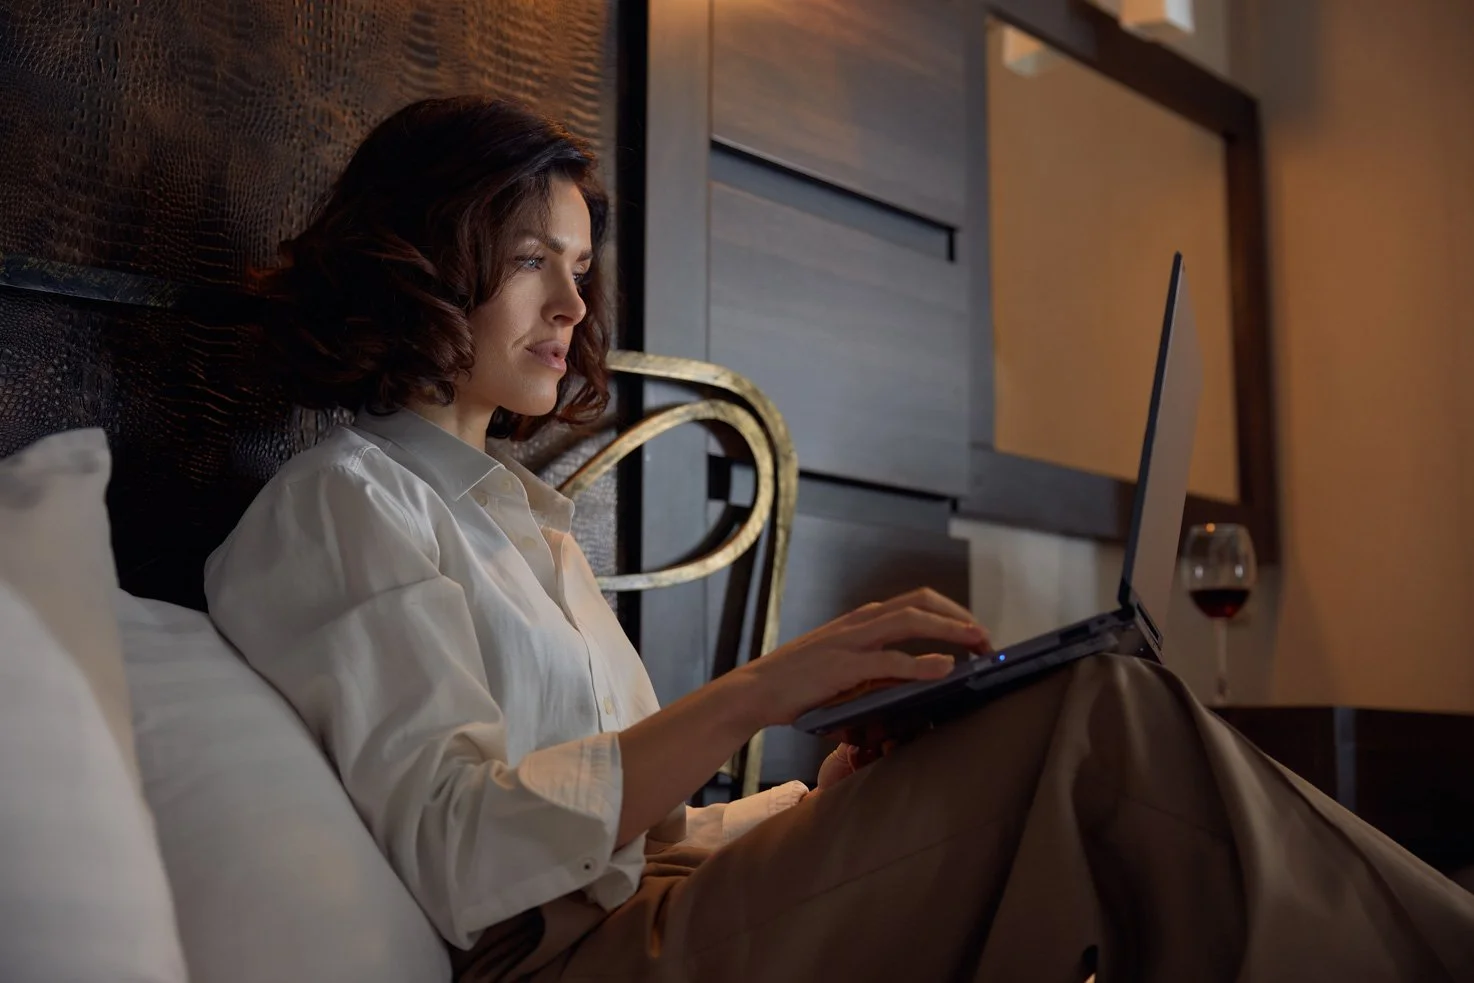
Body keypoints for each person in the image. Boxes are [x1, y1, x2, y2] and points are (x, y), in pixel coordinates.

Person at [204, 96, 1474, 983]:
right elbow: (465, 849)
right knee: (1096, 717)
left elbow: (632, 832)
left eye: (580, 265)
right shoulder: (344, 504)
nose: (574, 305)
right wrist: (773, 681)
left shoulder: (528, 529)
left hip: (659, 917)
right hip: (572, 968)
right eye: (533, 259)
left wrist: (814, 801)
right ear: (428, 254)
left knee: (1092, 713)